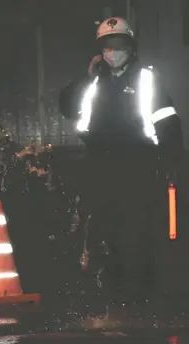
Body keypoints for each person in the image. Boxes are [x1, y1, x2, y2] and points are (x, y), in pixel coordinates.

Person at [59, 17, 184, 325]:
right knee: (103, 238)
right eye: (108, 45)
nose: (114, 51)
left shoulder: (144, 79)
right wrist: (85, 78)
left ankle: (139, 304)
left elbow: (168, 121)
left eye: (120, 45)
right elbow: (66, 105)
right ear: (100, 50)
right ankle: (115, 304)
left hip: (137, 170)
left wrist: (172, 161)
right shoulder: (94, 82)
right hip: (101, 171)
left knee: (137, 237)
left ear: (131, 47)